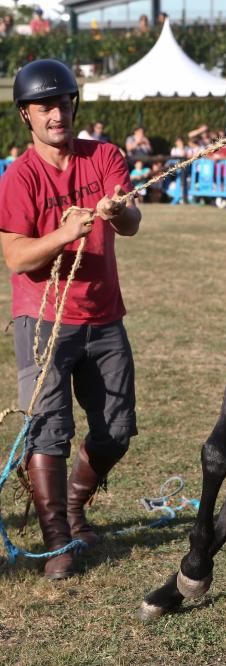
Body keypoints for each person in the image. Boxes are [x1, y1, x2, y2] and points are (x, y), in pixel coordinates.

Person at [0, 59, 141, 580]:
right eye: (44, 107)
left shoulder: (105, 156)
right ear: (26, 116)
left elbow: (131, 222)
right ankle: (57, 538)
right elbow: (16, 258)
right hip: (42, 321)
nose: (56, 114)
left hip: (104, 315)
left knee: (118, 429)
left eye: (63, 103)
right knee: (49, 431)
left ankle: (76, 504)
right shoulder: (20, 177)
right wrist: (64, 233)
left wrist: (117, 210)